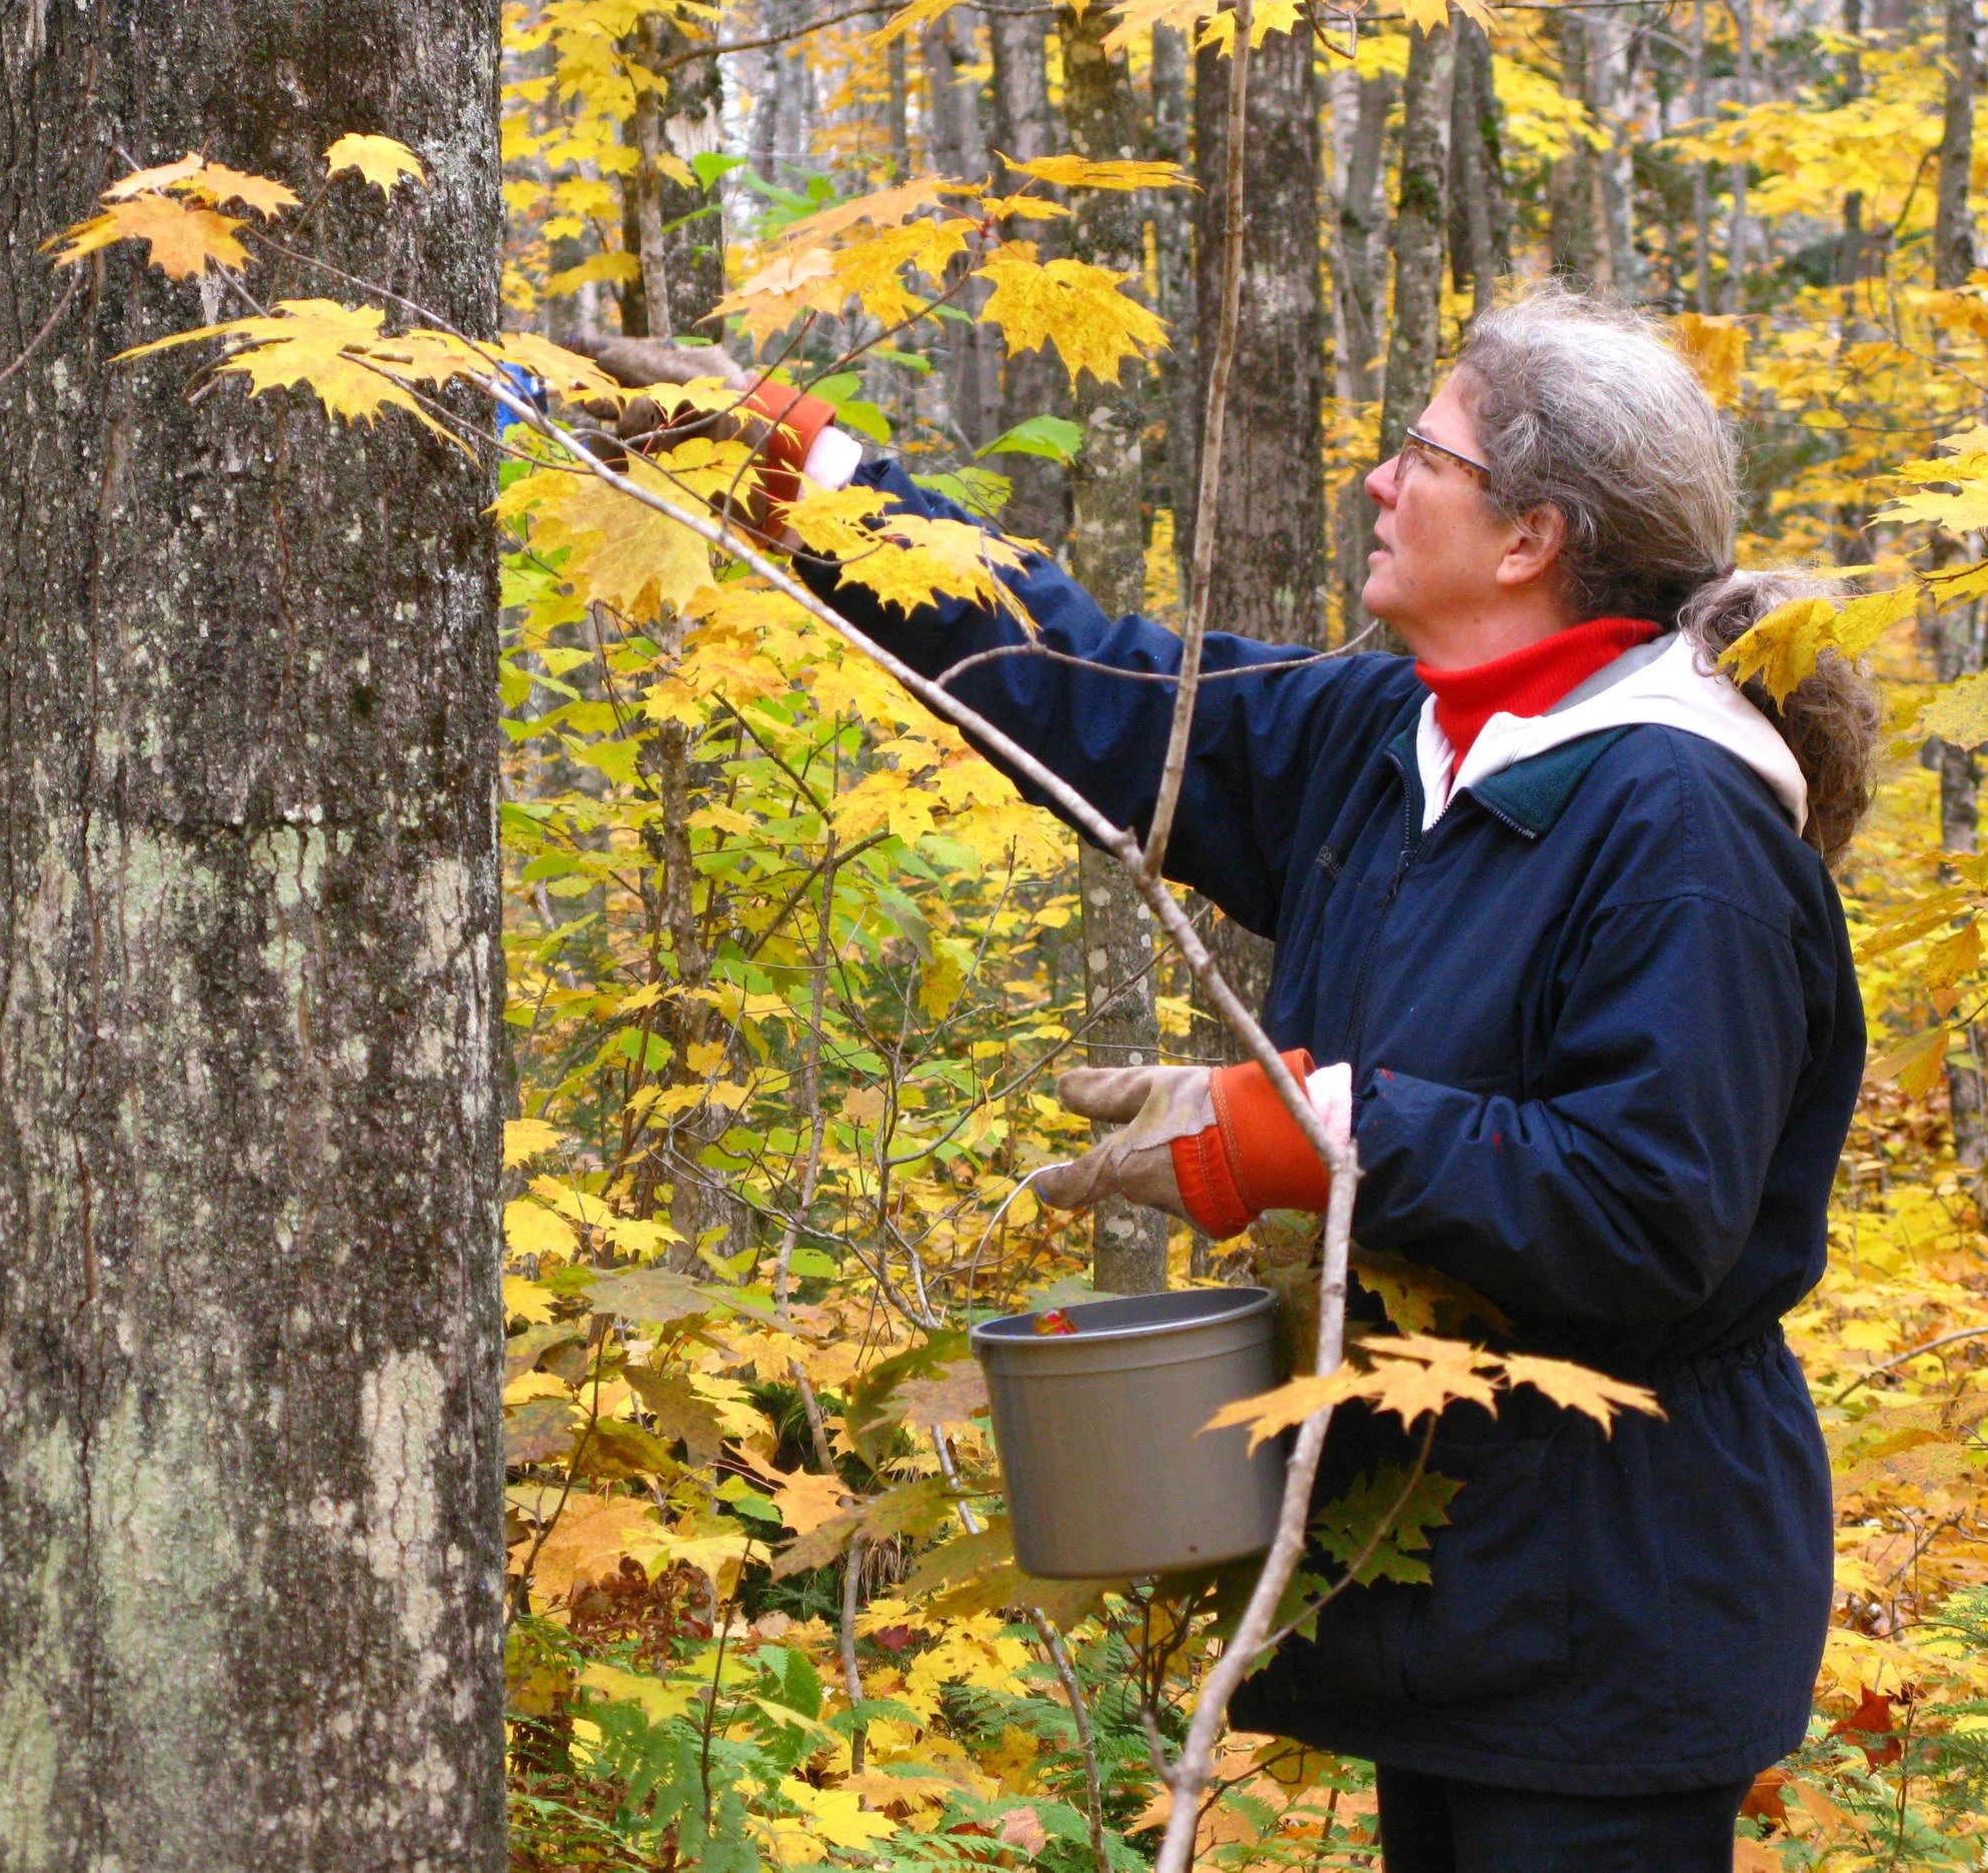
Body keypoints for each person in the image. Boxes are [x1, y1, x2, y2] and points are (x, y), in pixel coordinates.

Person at [576, 289, 1875, 1873]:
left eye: (1422, 455)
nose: (1380, 484)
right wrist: (808, 472)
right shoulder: (1396, 735)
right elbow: (1090, 684)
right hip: (1458, 1572)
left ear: (1532, 532)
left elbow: (1648, 1206)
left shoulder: (1680, 820)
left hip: (1616, 1595)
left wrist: (1301, 1129)